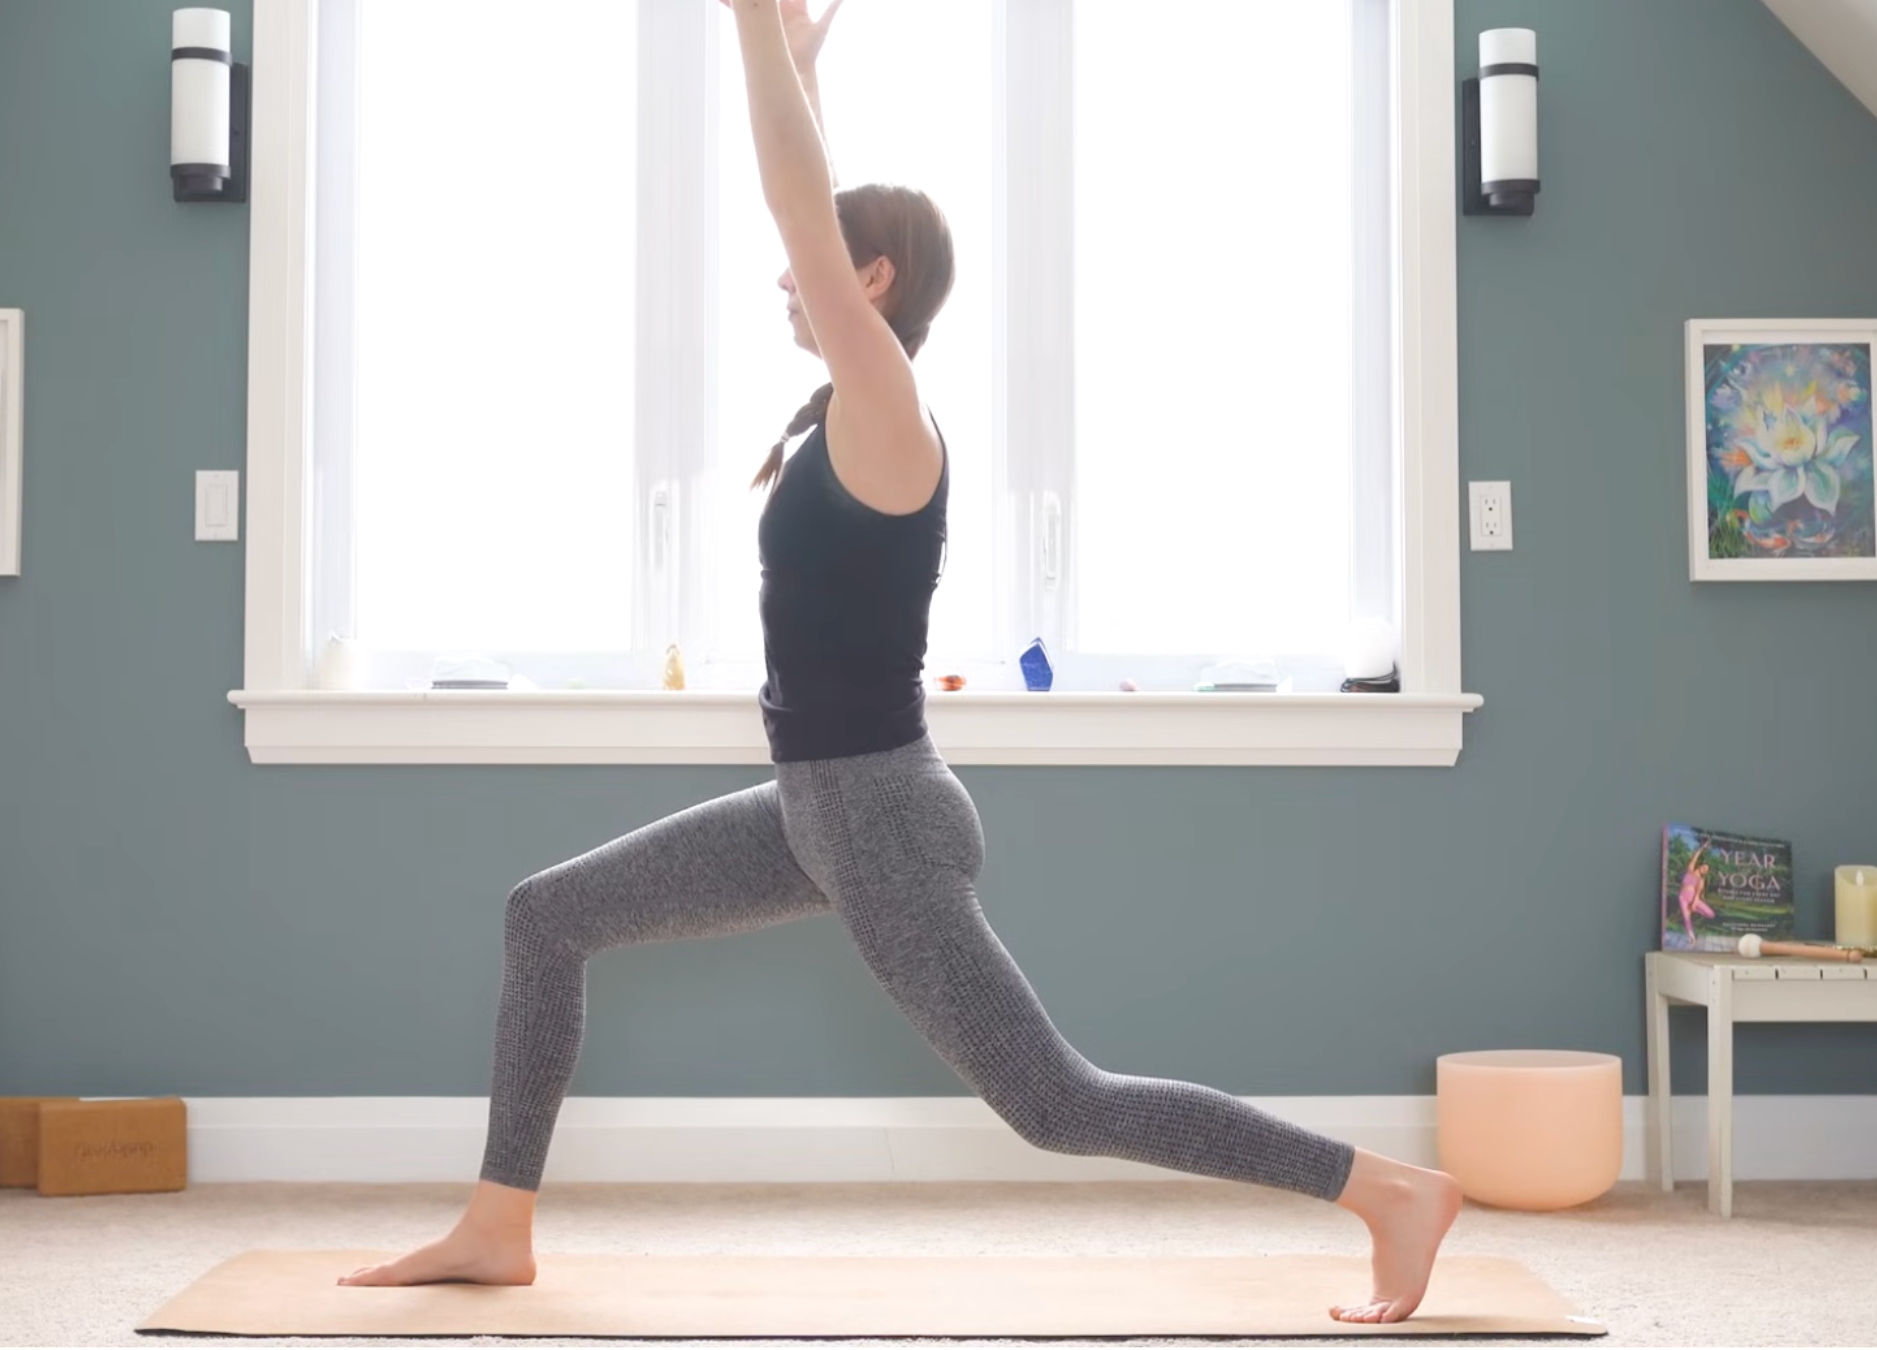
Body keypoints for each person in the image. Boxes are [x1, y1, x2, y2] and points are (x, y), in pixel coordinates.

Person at [341, 0, 1462, 1324]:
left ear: (870, 284)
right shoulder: (845, 413)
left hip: (872, 815)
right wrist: (803, 73)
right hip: (821, 809)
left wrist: (753, 24)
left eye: (817, 267)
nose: (783, 281)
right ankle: (497, 1222)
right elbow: (813, 206)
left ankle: (1386, 1190)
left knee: (1059, 1103)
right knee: (548, 915)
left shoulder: (888, 411)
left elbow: (797, 212)